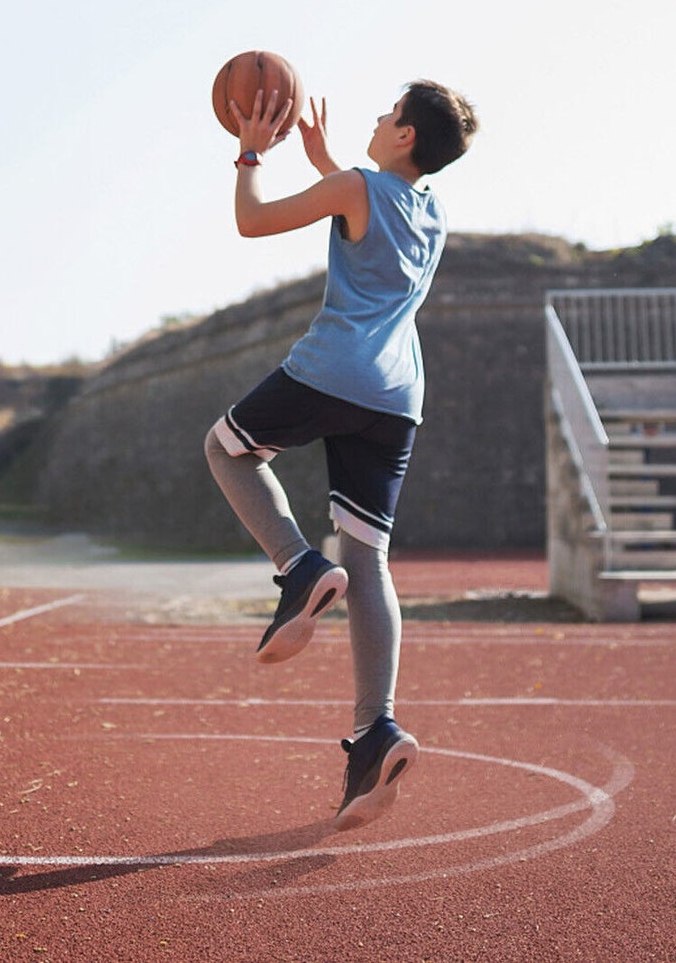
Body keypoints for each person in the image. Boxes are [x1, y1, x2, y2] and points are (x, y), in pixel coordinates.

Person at [206, 79, 478, 830]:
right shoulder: (431, 211)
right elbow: (370, 216)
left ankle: (296, 566)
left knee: (225, 448)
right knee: (368, 561)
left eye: (388, 114)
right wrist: (325, 160)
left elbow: (251, 220)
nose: (377, 117)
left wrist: (249, 151)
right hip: (395, 400)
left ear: (404, 137)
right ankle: (375, 733)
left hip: (333, 370)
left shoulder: (357, 187)